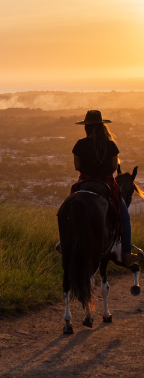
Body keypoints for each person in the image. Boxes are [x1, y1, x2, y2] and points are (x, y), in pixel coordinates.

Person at [71, 109, 138, 267]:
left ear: (86, 127)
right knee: (124, 217)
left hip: (85, 182)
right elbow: (114, 168)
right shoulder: (110, 145)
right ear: (102, 126)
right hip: (106, 183)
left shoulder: (80, 144)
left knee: (71, 207)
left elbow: (77, 167)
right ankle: (126, 254)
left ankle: (64, 242)